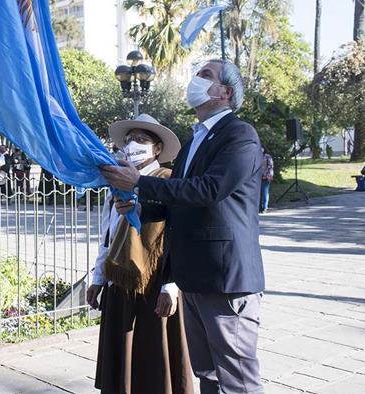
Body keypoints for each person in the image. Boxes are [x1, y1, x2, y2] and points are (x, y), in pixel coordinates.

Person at [101, 60, 265, 394]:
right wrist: (140, 207)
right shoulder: (194, 142)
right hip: (193, 275)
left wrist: (140, 185)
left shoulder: (239, 134)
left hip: (224, 278)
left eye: (206, 75)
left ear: (226, 92)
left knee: (238, 380)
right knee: (208, 374)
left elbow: (209, 190)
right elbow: (178, 201)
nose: (195, 80)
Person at [88, 114, 192, 394]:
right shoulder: (117, 186)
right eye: (130, 139)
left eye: (142, 140)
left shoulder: (167, 180)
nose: (134, 144)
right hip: (120, 279)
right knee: (123, 357)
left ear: (157, 149)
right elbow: (108, 235)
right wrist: (98, 277)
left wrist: (172, 286)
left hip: (156, 281)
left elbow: (179, 235)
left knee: (155, 359)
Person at [260, 146, 274, 214]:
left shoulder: (268, 156)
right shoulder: (256, 156)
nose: (260, 149)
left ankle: (265, 207)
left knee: (265, 193)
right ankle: (259, 207)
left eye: (262, 148)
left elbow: (270, 166)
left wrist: (267, 175)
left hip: (266, 177)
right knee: (259, 193)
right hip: (258, 178)